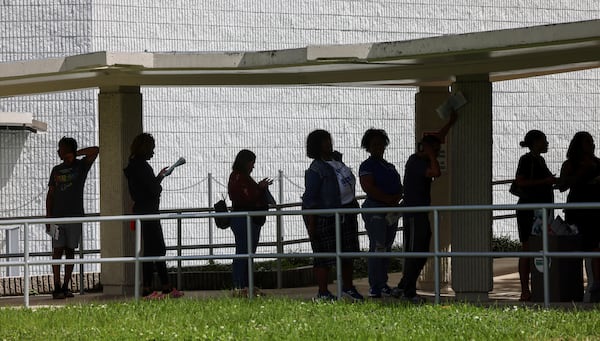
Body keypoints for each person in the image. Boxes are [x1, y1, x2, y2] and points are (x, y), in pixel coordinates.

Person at [391, 111, 458, 303]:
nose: (437, 153)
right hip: (413, 213)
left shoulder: (426, 154)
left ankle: (403, 285)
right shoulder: (416, 161)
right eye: (434, 151)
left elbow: (438, 137)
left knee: (423, 252)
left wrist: (450, 122)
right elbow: (436, 172)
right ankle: (409, 291)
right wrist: (430, 154)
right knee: (414, 252)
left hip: (422, 212)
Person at [302, 129, 364, 301]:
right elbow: (310, 198)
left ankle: (348, 288)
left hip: (347, 212)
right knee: (324, 256)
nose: (329, 143)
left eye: (329, 140)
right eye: (324, 141)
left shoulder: (337, 161)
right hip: (327, 216)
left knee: (347, 253)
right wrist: (311, 223)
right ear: (317, 145)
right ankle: (323, 292)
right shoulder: (316, 169)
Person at [124, 133, 183, 299]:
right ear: (145, 149)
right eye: (151, 149)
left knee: (154, 249)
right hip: (149, 211)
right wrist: (159, 179)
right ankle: (150, 289)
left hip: (142, 210)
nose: (153, 153)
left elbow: (144, 188)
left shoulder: (133, 166)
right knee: (155, 249)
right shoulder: (142, 167)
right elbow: (153, 190)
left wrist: (157, 177)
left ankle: (163, 287)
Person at [46, 137, 99, 299]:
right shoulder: (56, 170)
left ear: (67, 150)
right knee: (57, 251)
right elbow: (51, 194)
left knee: (70, 250)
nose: (58, 151)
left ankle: (66, 286)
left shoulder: (81, 166)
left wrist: (76, 154)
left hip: (75, 215)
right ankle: (56, 286)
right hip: (57, 216)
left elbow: (95, 150)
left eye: (60, 148)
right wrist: (48, 217)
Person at [358, 128, 403, 298]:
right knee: (378, 246)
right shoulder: (367, 166)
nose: (379, 147)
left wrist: (395, 199)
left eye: (381, 144)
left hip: (391, 211)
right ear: (368, 147)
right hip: (375, 209)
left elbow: (400, 187)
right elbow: (368, 186)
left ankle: (383, 283)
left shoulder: (390, 167)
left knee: (387, 247)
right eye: (374, 145)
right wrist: (387, 199)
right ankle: (374, 285)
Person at [513, 130, 557, 302]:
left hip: (541, 210)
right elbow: (520, 181)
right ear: (535, 142)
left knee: (539, 247)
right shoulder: (526, 159)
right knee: (528, 248)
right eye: (543, 140)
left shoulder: (539, 159)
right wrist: (544, 182)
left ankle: (539, 287)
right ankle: (525, 290)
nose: (546, 143)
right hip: (529, 210)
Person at [558, 131, 600, 303]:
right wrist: (581, 173)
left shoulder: (597, 162)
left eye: (592, 141)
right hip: (577, 211)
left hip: (596, 211)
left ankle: (594, 285)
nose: (591, 145)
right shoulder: (570, 164)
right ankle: (577, 288)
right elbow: (562, 186)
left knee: (595, 248)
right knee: (577, 248)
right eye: (587, 142)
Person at [228, 149, 272, 297]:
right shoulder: (240, 177)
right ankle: (241, 286)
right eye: (252, 163)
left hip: (245, 218)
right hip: (245, 218)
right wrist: (260, 188)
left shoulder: (237, 177)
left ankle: (245, 286)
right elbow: (249, 197)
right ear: (246, 162)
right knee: (244, 252)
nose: (253, 166)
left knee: (246, 252)